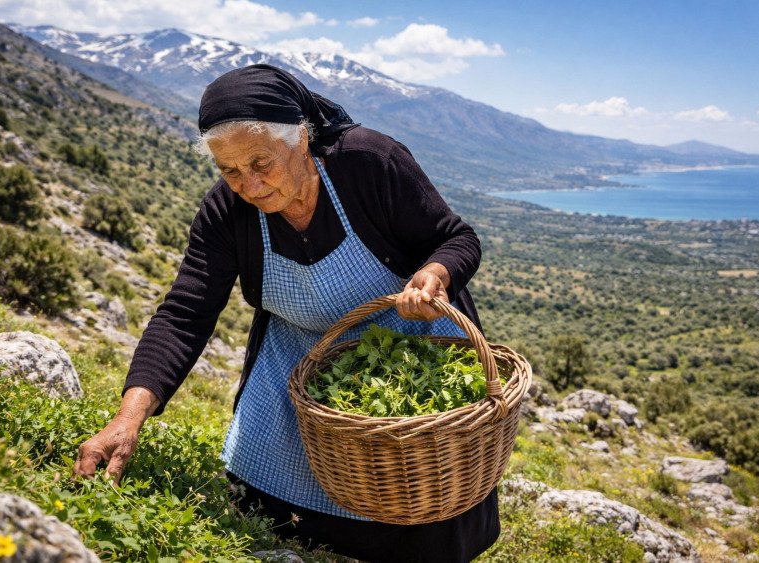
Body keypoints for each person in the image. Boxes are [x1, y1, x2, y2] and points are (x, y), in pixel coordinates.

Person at [73, 64, 499, 562]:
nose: (249, 186)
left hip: (408, 357)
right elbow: (185, 314)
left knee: (414, 507)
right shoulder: (226, 213)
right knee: (270, 515)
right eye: (229, 170)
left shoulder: (370, 163)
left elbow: (457, 238)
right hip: (298, 367)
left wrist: (436, 274)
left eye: (260, 163)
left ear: (300, 138)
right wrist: (128, 419)